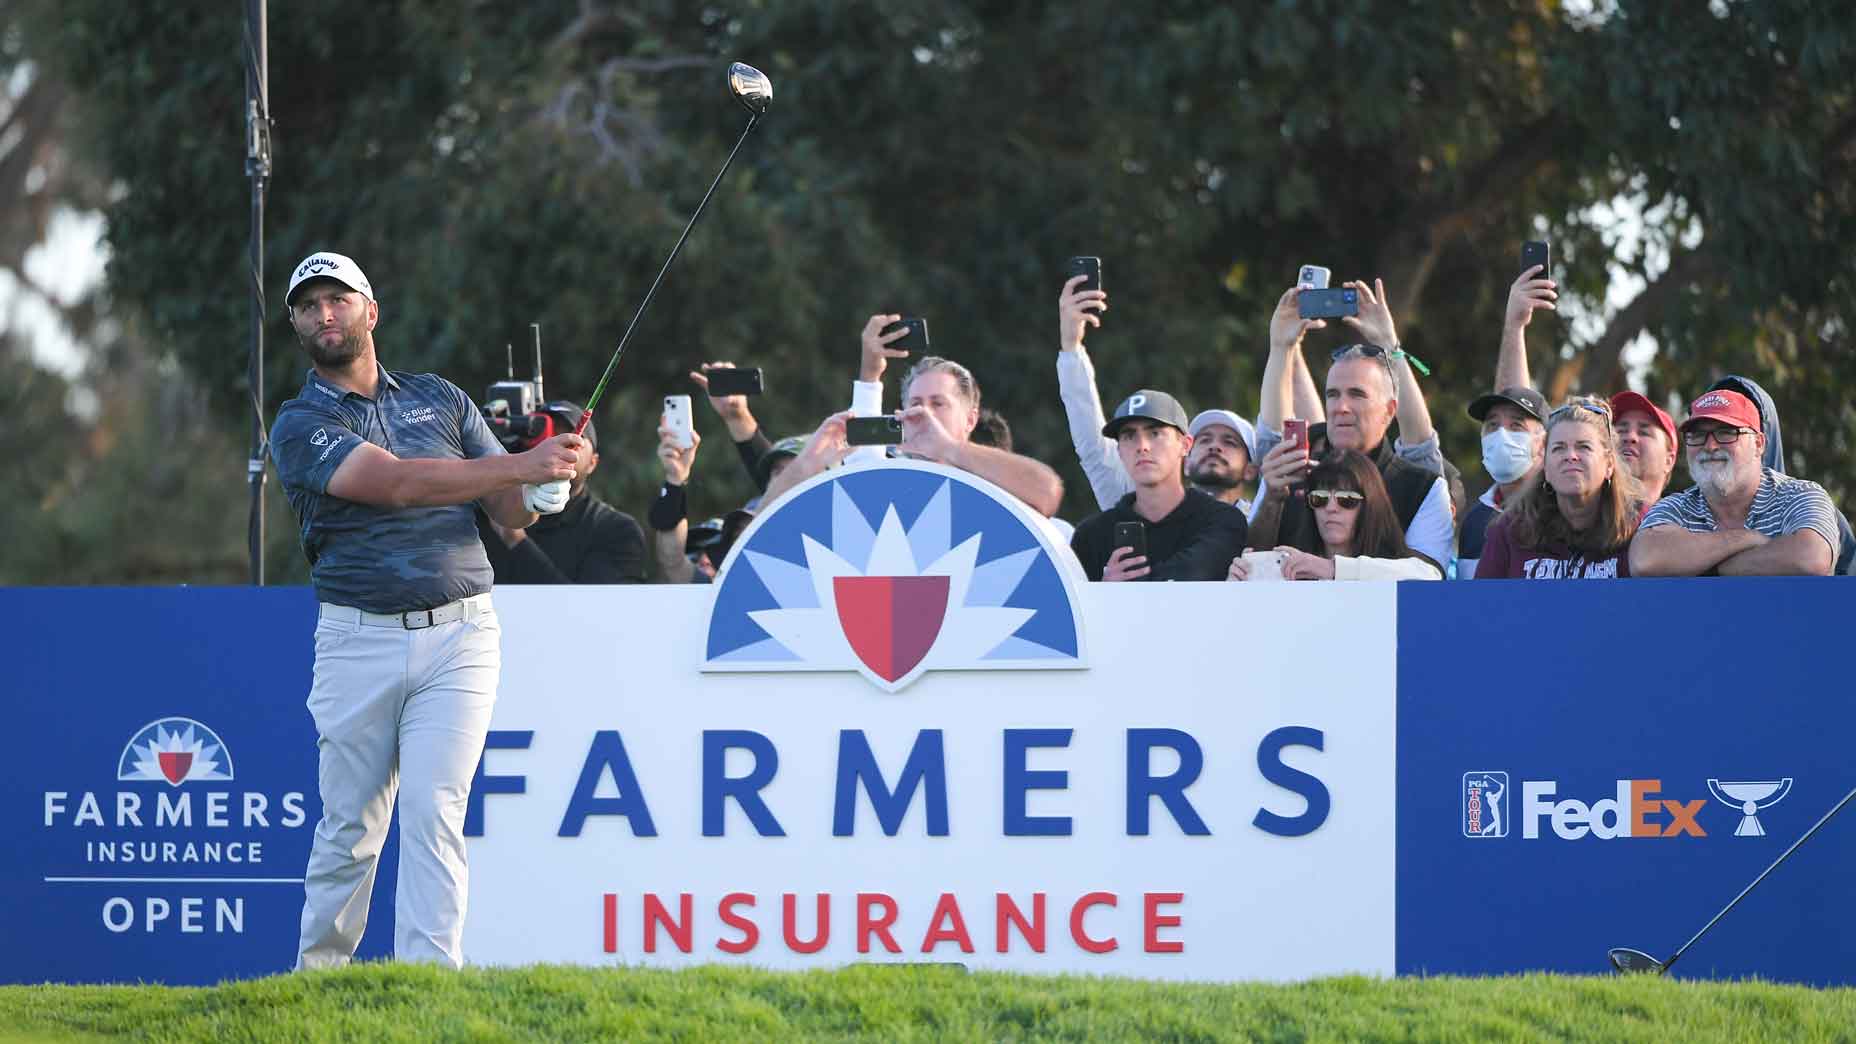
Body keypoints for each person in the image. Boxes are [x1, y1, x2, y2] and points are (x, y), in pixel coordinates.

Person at [268, 252, 582, 968]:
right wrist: (521, 465)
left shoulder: (439, 399)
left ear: (370, 311)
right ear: (296, 324)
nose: (324, 315)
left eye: (337, 300)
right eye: (308, 305)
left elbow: (505, 510)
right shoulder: (299, 423)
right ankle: (317, 980)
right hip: (359, 640)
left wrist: (544, 484)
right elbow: (398, 484)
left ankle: (428, 985)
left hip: (462, 636)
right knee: (351, 827)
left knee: (434, 811)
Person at [1248, 281, 1454, 568]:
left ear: (1390, 410)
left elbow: (1429, 577)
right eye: (1332, 395)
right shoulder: (1287, 473)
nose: (1340, 407)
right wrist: (1271, 499)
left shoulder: (1422, 486)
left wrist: (1335, 571)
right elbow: (1251, 559)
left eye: (1357, 394)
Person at [1053, 276, 1263, 511]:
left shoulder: (1266, 523)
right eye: (1204, 440)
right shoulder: (1144, 506)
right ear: (1186, 455)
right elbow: (1093, 447)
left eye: (1230, 441)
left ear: (1252, 469)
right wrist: (1071, 348)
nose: (1214, 447)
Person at [823, 317, 1064, 516]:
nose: (924, 413)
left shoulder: (992, 485)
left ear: (970, 420)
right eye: (916, 403)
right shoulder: (889, 480)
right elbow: (863, 466)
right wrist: (870, 374)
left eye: (938, 403)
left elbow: (1046, 492)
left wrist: (947, 448)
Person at [1630, 389, 1837, 577]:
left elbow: (1811, 558)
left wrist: (1710, 568)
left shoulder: (1799, 495)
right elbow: (1644, 560)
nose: (1710, 446)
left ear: (1758, 444)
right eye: (1698, 435)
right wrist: (1747, 539)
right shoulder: (1674, 507)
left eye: (1726, 432)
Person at [1067, 390, 1248, 581]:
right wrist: (1102, 590)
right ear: (1119, 451)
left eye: (1154, 433)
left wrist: (1115, 593)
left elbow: (1191, 576)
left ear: (1186, 445)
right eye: (1129, 436)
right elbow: (1073, 607)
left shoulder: (1222, 520)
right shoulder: (1090, 536)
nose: (1142, 446)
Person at [477, 400, 645, 583]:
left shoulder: (616, 530)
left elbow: (590, 608)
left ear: (592, 463)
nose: (554, 447)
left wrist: (514, 539)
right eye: (546, 436)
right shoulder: (482, 513)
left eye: (571, 438)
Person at [1705, 374, 1855, 574]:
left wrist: (1710, 569)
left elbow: (1812, 558)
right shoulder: (1685, 508)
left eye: (1730, 430)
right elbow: (1650, 556)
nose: (1714, 444)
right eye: (1705, 430)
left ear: (1761, 440)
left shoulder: (1811, 505)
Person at [1476, 397, 1640, 579]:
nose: (1570, 456)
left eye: (1583, 447)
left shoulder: (1640, 527)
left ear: (1609, 465)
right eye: (1559, 448)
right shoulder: (1509, 530)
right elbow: (1483, 604)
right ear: (1545, 466)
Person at [1228, 451, 1441, 581]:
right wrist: (1236, 588)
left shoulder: (1396, 568)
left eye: (1347, 499)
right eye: (1319, 498)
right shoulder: (1288, 570)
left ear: (1370, 507)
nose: (1331, 508)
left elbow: (1431, 577)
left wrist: (1332, 568)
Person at [1458, 387, 1548, 579]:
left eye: (1516, 426)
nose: (1501, 435)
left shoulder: (1561, 512)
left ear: (1544, 443)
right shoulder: (1475, 521)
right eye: (1492, 425)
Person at [1609, 390, 1679, 504]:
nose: (1630, 437)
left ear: (1668, 461)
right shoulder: (1581, 517)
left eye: (1644, 432)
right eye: (1621, 431)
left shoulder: (1682, 520)